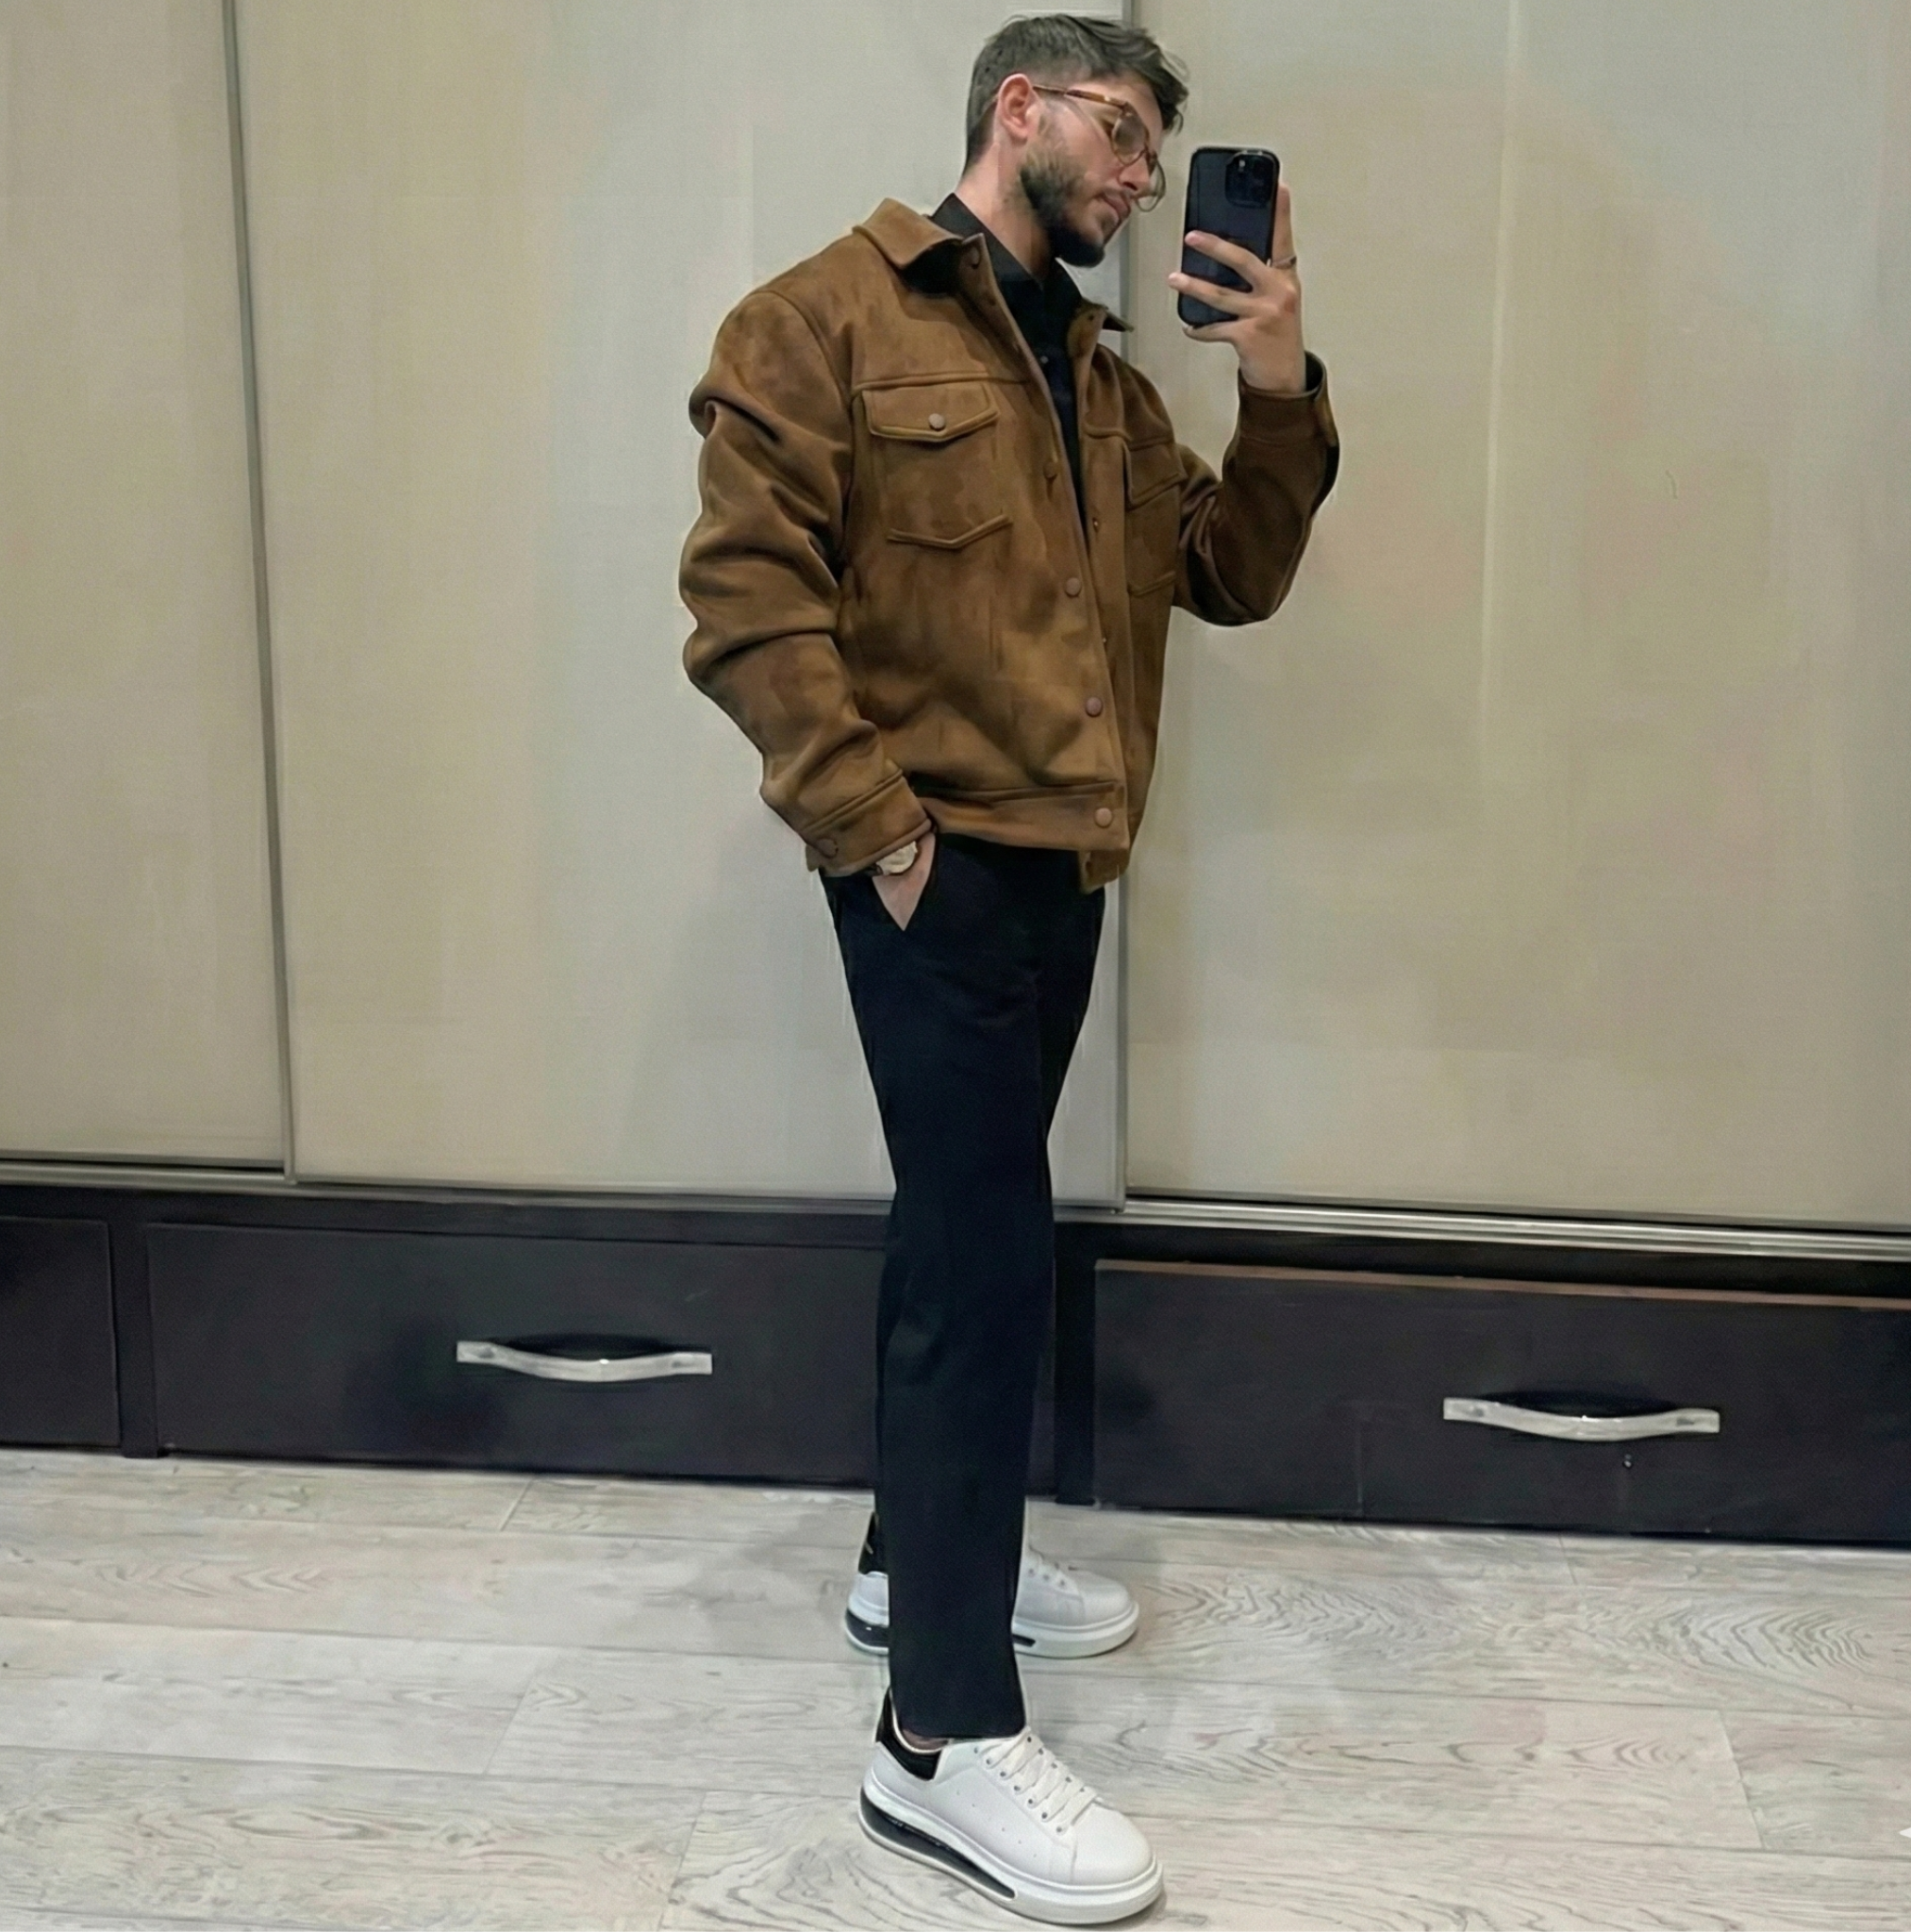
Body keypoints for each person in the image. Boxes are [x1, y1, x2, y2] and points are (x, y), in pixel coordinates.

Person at [679, 13, 1338, 1922]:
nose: (1140, 179)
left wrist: (1276, 382)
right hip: (937, 875)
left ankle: (916, 1561)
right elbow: (745, 596)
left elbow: (1230, 573)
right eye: (1122, 135)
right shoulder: (822, 320)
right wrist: (878, 835)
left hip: (1068, 873)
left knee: (960, 1230)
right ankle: (938, 1735)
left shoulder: (1103, 383)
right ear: (1019, 109)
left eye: (1156, 157)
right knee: (983, 1268)